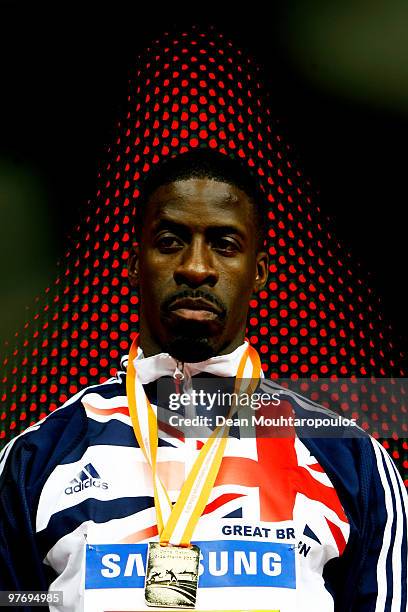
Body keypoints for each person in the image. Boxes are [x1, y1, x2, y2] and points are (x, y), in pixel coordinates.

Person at [0, 149, 406, 612]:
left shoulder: (350, 459)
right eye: (171, 241)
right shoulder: (36, 458)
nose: (196, 267)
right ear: (136, 263)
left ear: (260, 272)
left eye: (225, 244)